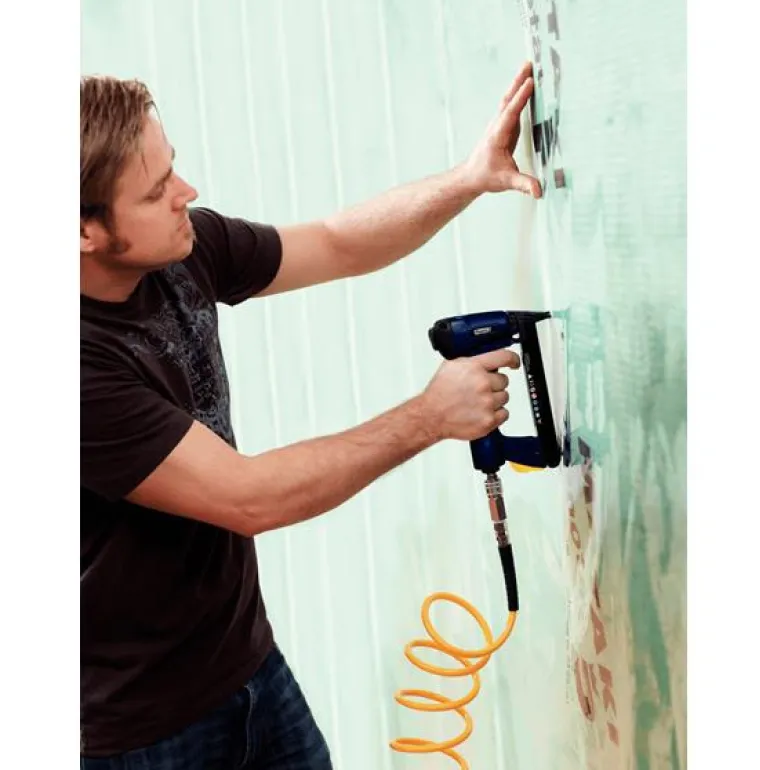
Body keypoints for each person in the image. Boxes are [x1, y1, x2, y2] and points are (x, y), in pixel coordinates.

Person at [80, 60, 541, 769]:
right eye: (156, 190)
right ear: (85, 231)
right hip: (144, 731)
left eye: (172, 168)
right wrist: (429, 416)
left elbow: (336, 241)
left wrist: (469, 178)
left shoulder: (178, 252)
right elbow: (249, 498)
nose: (186, 193)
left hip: (249, 667)